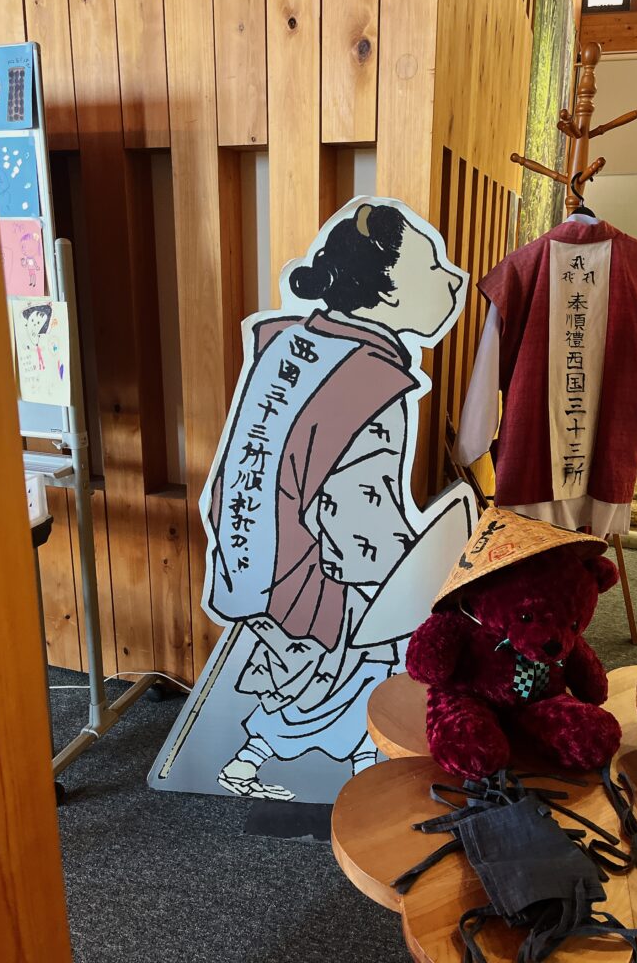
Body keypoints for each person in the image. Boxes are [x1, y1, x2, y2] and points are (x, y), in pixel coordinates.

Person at [192, 200, 466, 800]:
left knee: (321, 685)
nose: (454, 281)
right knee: (368, 667)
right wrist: (422, 578)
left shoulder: (293, 344)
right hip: (314, 571)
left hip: (253, 554)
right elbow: (361, 511)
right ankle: (367, 775)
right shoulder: (367, 381)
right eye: (431, 268)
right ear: (386, 292)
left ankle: (273, 761)